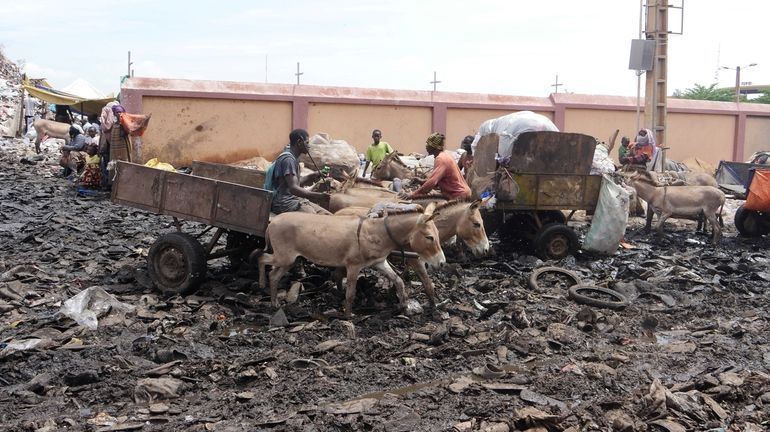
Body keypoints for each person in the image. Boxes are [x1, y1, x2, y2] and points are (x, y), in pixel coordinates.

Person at [268, 128, 331, 215]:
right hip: (285, 203)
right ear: (299, 142)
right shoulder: (288, 160)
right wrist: (318, 196)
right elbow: (294, 188)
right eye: (307, 142)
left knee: (326, 215)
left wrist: (314, 175)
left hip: (295, 199)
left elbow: (295, 183)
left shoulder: (293, 159)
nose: (309, 146)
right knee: (316, 219)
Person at [407, 132, 471, 200]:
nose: (426, 146)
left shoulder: (441, 159)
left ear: (434, 146)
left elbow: (432, 183)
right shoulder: (445, 155)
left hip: (458, 195)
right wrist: (420, 181)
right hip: (463, 193)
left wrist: (413, 195)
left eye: (428, 144)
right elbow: (436, 181)